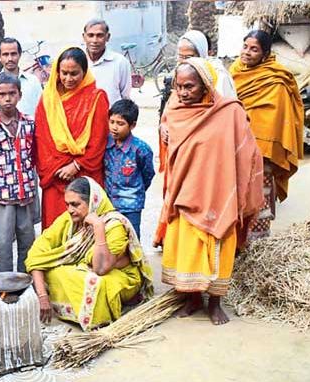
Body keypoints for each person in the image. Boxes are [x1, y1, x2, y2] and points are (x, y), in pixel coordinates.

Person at [156, 58, 264, 325]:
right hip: (185, 192)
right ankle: (192, 299)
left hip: (219, 193)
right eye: (178, 87)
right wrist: (163, 133)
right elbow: (169, 142)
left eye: (189, 87)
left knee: (219, 248)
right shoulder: (174, 109)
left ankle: (215, 303)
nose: (183, 93)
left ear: (205, 85)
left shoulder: (229, 112)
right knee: (187, 248)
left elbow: (248, 150)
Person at [25, 177, 153, 329]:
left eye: (75, 204)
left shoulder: (114, 225)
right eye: (67, 204)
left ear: (93, 201)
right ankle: (67, 308)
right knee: (52, 270)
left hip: (120, 276)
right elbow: (36, 253)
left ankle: (98, 317)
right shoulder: (69, 219)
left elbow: (101, 269)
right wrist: (42, 296)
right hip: (88, 268)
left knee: (94, 283)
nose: (70, 210)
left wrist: (98, 226)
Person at [229, 30, 304, 240]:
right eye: (245, 47)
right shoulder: (234, 70)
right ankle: (238, 241)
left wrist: (262, 146)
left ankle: (259, 239)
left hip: (264, 150)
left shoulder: (277, 79)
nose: (247, 53)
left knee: (261, 190)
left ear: (265, 53)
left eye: (254, 49)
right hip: (237, 144)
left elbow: (277, 119)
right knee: (236, 192)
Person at [34, 47, 109, 228]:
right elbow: (41, 139)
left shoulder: (96, 98)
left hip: (85, 174)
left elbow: (98, 141)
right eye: (64, 73)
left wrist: (75, 166)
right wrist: (58, 168)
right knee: (56, 230)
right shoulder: (48, 100)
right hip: (55, 176)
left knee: (85, 231)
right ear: (57, 72)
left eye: (74, 73)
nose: (68, 79)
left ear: (84, 72)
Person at [0, 73, 37, 272]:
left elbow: (34, 155)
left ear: (20, 95)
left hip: (26, 192)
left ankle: (25, 282)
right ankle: (4, 285)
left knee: (27, 239)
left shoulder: (29, 124)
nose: (7, 98)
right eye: (2, 94)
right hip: (1, 194)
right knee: (2, 242)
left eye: (12, 93)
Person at [103, 99, 155, 239]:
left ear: (132, 125)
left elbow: (148, 174)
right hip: (108, 203)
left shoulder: (140, 149)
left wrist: (136, 190)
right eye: (112, 121)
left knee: (132, 239)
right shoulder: (105, 145)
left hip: (131, 205)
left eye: (120, 124)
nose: (114, 127)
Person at [159, 30, 237, 117]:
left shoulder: (218, 75)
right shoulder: (178, 73)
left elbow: (226, 110)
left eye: (189, 57)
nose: (185, 61)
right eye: (181, 56)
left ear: (202, 54)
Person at [0, 37, 43, 118]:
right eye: (5, 54)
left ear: (19, 55)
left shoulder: (33, 82)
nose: (10, 59)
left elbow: (42, 111)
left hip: (31, 129)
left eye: (13, 54)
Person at [82, 19, 131, 105]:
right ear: (84, 37)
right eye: (90, 35)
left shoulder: (120, 62)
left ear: (107, 37)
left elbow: (125, 96)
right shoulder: (78, 61)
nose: (94, 40)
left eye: (99, 35)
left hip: (109, 116)